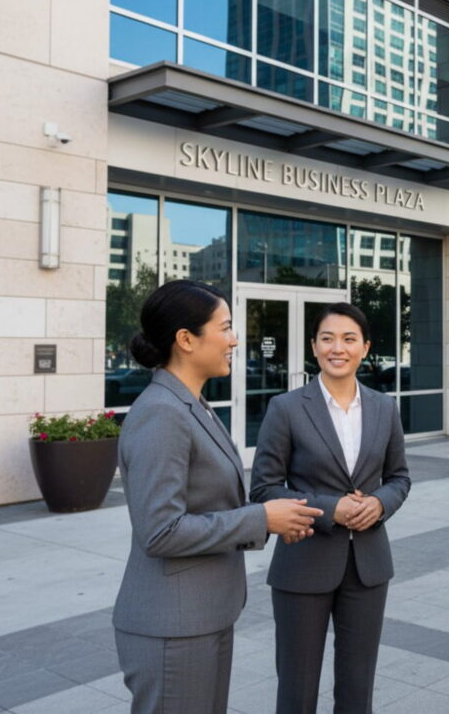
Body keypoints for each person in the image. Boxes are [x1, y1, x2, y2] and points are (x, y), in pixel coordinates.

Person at [113, 280, 322, 714]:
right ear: (186, 340)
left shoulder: (192, 404)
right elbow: (160, 531)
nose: (235, 338)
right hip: (172, 627)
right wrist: (261, 519)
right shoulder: (161, 413)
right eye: (225, 327)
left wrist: (270, 517)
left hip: (202, 617)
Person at [250, 302, 410, 714]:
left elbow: (400, 478)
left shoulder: (384, 407)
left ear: (365, 347)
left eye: (348, 339)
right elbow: (264, 488)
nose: (337, 348)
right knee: (297, 689)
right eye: (327, 339)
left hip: (368, 566)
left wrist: (379, 503)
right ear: (314, 347)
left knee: (358, 689)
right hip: (303, 564)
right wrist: (329, 509)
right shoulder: (285, 408)